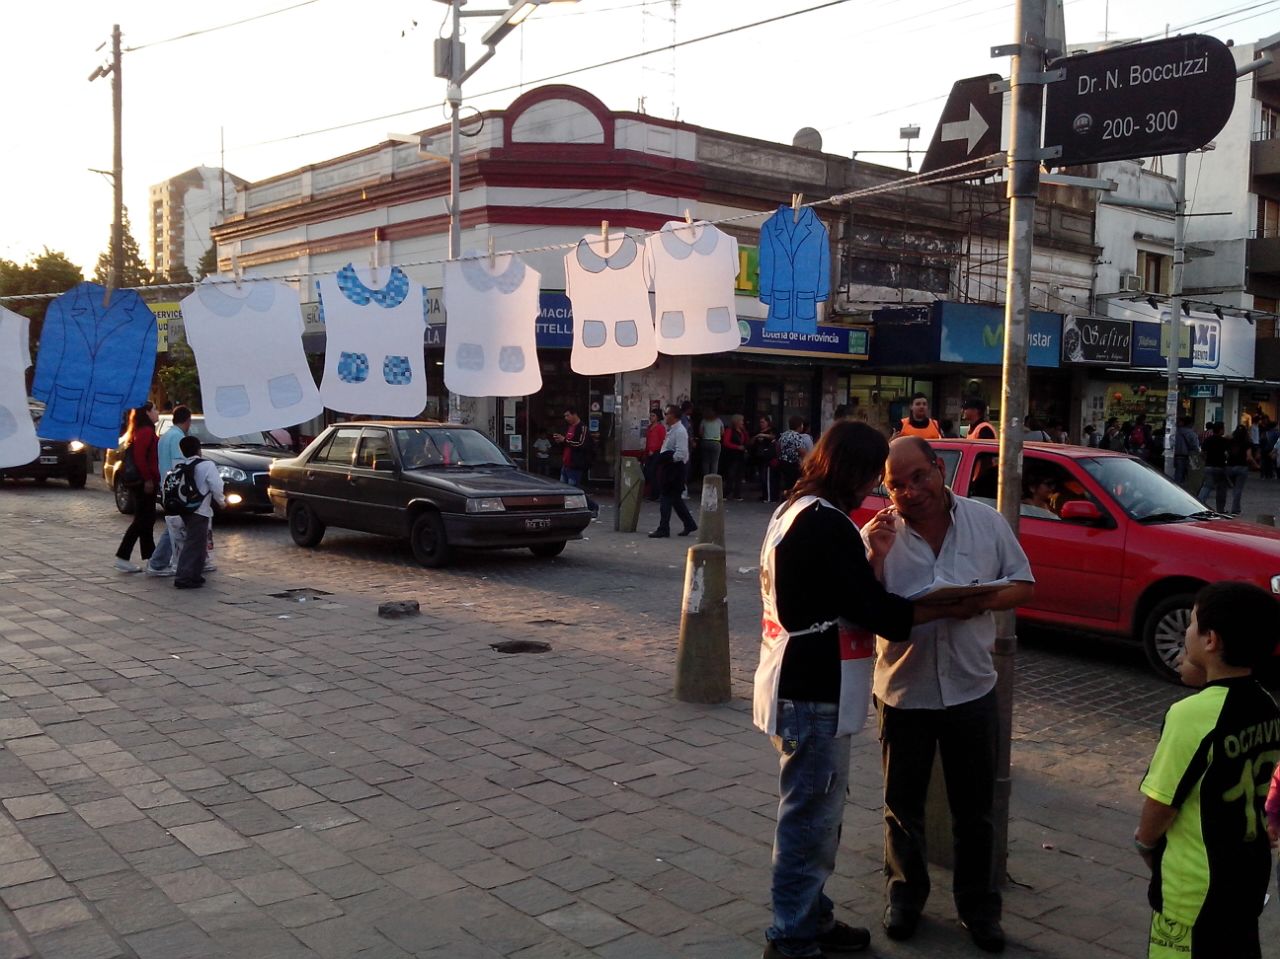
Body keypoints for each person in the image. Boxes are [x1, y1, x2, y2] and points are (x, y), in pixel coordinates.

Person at [753, 421, 984, 959]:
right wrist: (951, 605)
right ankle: (790, 938)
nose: (876, 489)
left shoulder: (794, 508)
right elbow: (875, 611)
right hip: (813, 690)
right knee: (810, 822)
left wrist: (874, 559)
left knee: (815, 815)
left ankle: (812, 917)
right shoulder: (826, 522)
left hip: (791, 681)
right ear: (852, 469)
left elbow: (840, 591)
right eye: (874, 476)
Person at [860, 437, 1036, 954]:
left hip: (971, 687)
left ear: (940, 469)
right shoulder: (878, 535)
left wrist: (981, 600)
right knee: (902, 806)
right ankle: (904, 897)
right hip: (903, 689)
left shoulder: (985, 523)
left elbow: (1024, 584)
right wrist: (875, 559)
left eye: (919, 477)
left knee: (974, 809)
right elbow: (868, 611)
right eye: (896, 485)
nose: (911, 491)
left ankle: (979, 908)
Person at [1134, 582, 1280, 959]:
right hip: (1248, 876)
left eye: (1192, 623)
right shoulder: (1267, 705)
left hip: (1192, 890)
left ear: (1210, 640)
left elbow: (1161, 803)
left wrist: (1145, 843)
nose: (1186, 631)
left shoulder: (1191, 715)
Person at [144, 405, 193, 577]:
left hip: (166, 486)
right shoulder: (178, 438)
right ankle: (157, 562)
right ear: (187, 421)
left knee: (175, 525)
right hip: (176, 489)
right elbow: (179, 465)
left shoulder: (165, 436)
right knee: (175, 526)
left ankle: (169, 560)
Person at [172, 435, 225, 589]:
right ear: (198, 449)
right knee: (194, 543)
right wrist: (222, 501)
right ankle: (183, 577)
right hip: (200, 509)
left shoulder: (182, 465)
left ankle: (195, 575)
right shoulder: (207, 465)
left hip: (185, 508)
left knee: (199, 543)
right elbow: (216, 485)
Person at [113, 403, 160, 573]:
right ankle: (123, 556)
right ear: (147, 412)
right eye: (154, 410)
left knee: (147, 520)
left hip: (145, 481)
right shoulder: (145, 431)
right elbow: (140, 457)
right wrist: (148, 479)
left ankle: (151, 558)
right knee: (142, 520)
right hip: (143, 482)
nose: (157, 412)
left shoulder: (142, 430)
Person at [648, 405, 697, 539]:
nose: (665, 416)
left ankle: (663, 528)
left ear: (673, 416)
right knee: (675, 500)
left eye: (667, 414)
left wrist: (668, 458)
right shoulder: (672, 430)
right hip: (669, 467)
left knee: (666, 498)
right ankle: (689, 523)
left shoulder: (680, 431)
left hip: (675, 469)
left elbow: (681, 453)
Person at [1225, 424, 1259, 516]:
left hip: (1230, 467)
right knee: (1238, 488)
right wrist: (1256, 465)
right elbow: (1249, 457)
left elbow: (1226, 453)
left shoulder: (1230, 441)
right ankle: (1235, 509)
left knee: (1234, 487)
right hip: (1242, 467)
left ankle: (1235, 507)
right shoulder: (1247, 442)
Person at [1197, 423, 1230, 513]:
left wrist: (1206, 460)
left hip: (1209, 466)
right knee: (1221, 490)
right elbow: (1228, 453)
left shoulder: (1208, 440)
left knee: (1206, 487)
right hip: (1220, 467)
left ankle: (1199, 505)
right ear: (1220, 430)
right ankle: (1220, 510)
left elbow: (1202, 453)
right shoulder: (1224, 441)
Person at [776, 417, 807, 496]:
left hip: (783, 462)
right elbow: (802, 451)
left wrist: (780, 457)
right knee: (793, 483)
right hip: (792, 463)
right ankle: (791, 497)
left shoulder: (784, 435)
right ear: (799, 426)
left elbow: (778, 447)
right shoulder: (796, 436)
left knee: (786, 483)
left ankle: (784, 496)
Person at [721, 413, 749, 501]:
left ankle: (737, 494)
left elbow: (747, 440)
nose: (742, 422)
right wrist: (737, 447)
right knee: (731, 474)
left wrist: (745, 432)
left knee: (739, 475)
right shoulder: (730, 430)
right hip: (732, 455)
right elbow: (726, 442)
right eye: (741, 421)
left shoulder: (742, 431)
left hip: (740, 455)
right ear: (736, 421)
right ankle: (726, 493)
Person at [752, 416, 779, 503]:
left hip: (769, 456)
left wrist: (762, 435)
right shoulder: (757, 431)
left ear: (768, 422)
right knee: (762, 477)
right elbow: (752, 441)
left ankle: (769, 496)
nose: (761, 424)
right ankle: (764, 495)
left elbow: (774, 437)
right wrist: (756, 438)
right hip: (760, 456)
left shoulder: (772, 430)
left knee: (766, 477)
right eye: (760, 422)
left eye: (763, 422)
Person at [642, 409, 666, 502]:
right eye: (650, 415)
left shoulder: (660, 428)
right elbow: (648, 441)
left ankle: (656, 494)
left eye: (653, 416)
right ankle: (651, 493)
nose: (651, 417)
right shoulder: (649, 427)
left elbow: (663, 441)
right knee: (647, 472)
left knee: (652, 472)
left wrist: (655, 449)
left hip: (657, 452)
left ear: (657, 417)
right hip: (649, 452)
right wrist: (646, 452)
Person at [1172, 416, 1201, 487]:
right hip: (1186, 456)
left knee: (1177, 474)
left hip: (1175, 455)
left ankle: (1175, 487)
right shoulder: (1191, 433)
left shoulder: (1176, 431)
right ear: (1191, 424)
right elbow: (1195, 446)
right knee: (1186, 476)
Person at [699, 407, 725, 479]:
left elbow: (700, 433)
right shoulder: (719, 421)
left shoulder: (703, 421)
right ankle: (713, 479)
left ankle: (706, 478)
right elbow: (722, 432)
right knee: (715, 462)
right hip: (716, 442)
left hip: (705, 442)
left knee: (705, 461)